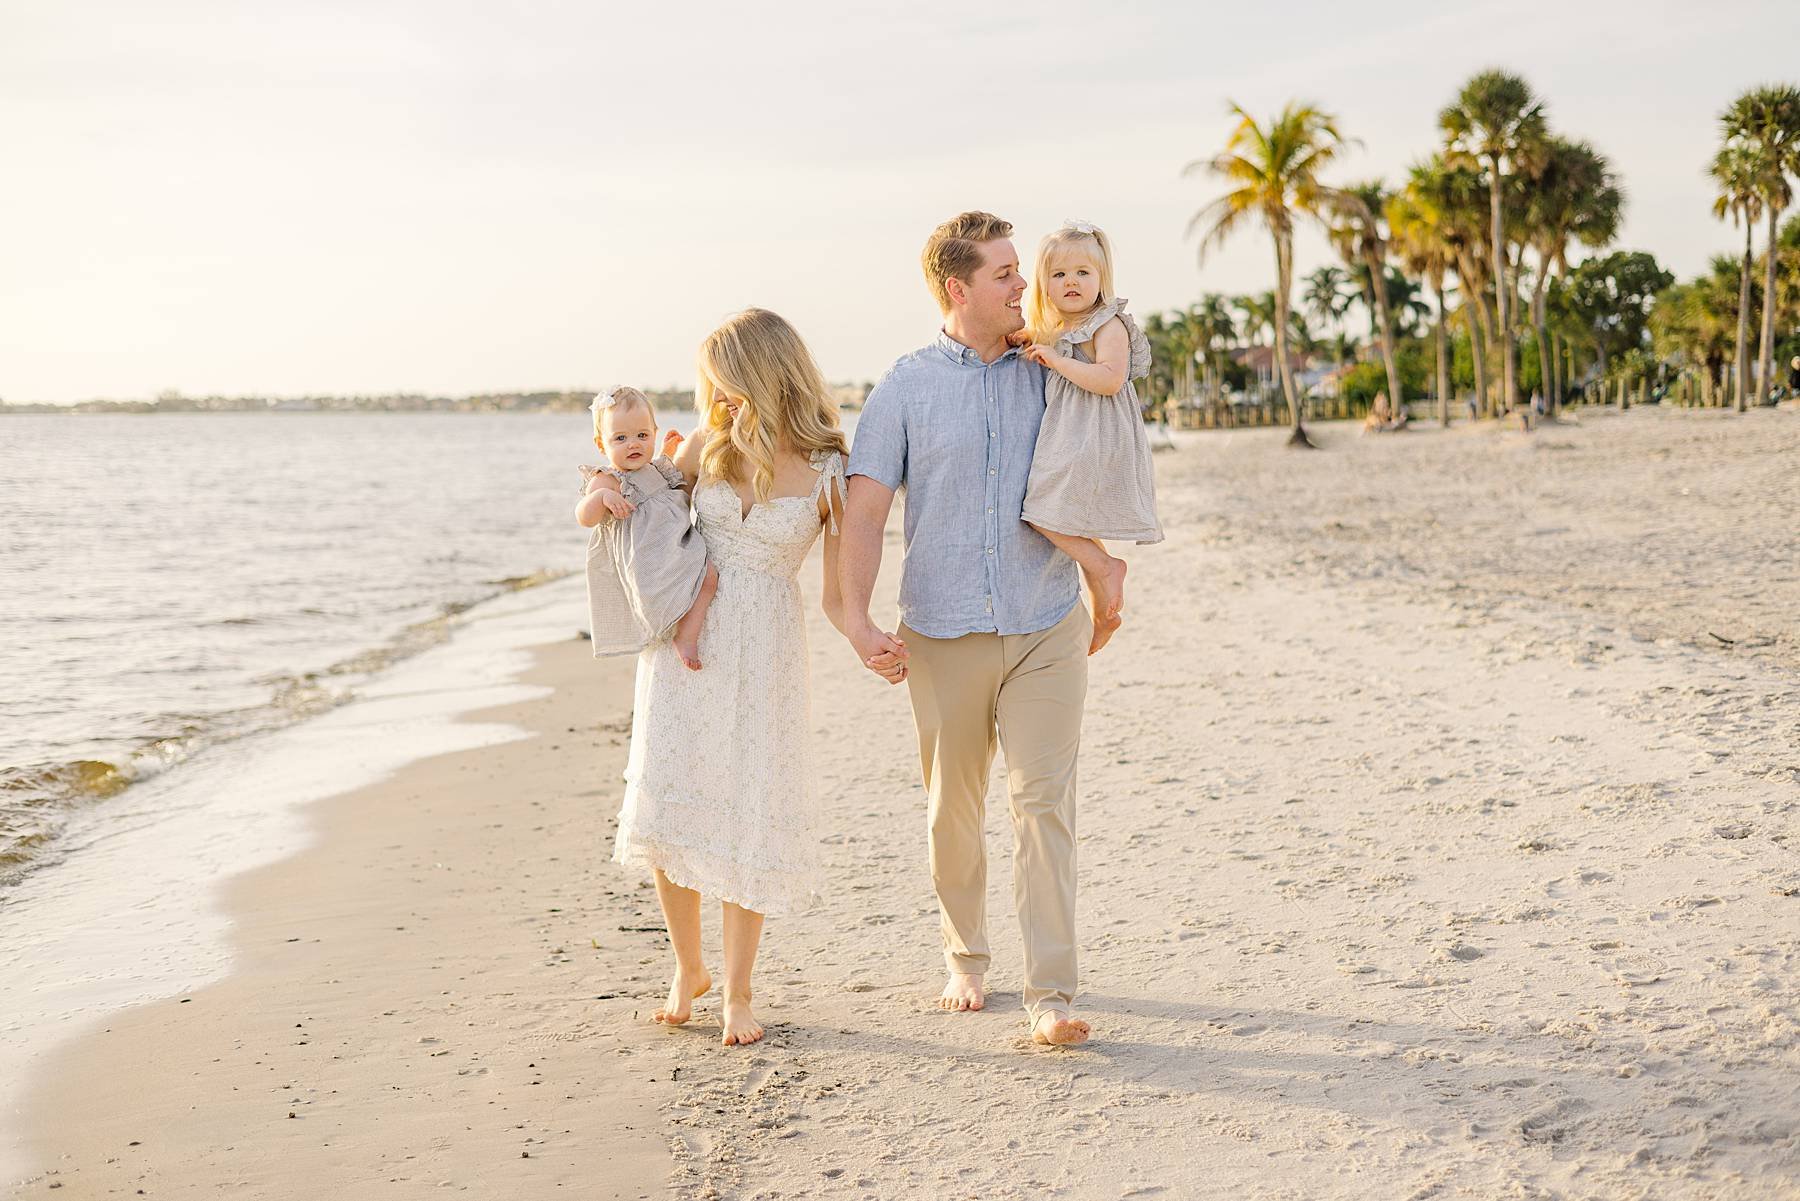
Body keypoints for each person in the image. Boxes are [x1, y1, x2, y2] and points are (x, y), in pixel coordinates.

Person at [839, 211, 1094, 1048]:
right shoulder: (905, 386)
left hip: (1046, 620)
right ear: (958, 289)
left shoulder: (1050, 370)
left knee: (1040, 801)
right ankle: (967, 956)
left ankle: (1050, 989)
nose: (1025, 285)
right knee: (954, 807)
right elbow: (867, 511)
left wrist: (1106, 566)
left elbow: (1109, 434)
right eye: (1005, 273)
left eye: (1021, 269)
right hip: (943, 631)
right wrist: (854, 616)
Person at [609, 309, 859, 1048]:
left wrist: (872, 640)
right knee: (674, 805)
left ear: (758, 372)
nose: (714, 394)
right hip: (689, 642)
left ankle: (740, 992)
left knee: (749, 811)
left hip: (768, 651)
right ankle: (689, 969)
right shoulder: (703, 452)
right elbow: (646, 528)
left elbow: (839, 593)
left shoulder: (829, 465)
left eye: (722, 379)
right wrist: (604, 486)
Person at [1011, 220, 1163, 656]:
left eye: (1082, 273)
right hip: (1075, 434)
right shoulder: (1062, 326)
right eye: (1058, 275)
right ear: (1045, 284)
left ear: (1101, 279)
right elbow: (1053, 342)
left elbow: (1110, 379)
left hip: (1095, 436)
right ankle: (1103, 610)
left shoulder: (1107, 323)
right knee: (1071, 519)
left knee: (1041, 512)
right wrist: (1033, 340)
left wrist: (1054, 361)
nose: (1071, 282)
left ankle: (1106, 566)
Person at [576, 386, 718, 670]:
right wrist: (601, 498)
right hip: (646, 565)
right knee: (676, 593)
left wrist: (669, 452)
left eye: (642, 435)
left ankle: (686, 635)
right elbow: (584, 517)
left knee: (709, 577)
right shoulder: (608, 480)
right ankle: (673, 630)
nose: (633, 444)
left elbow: (673, 492)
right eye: (621, 438)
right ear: (602, 445)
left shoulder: (656, 470)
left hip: (676, 549)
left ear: (654, 432)